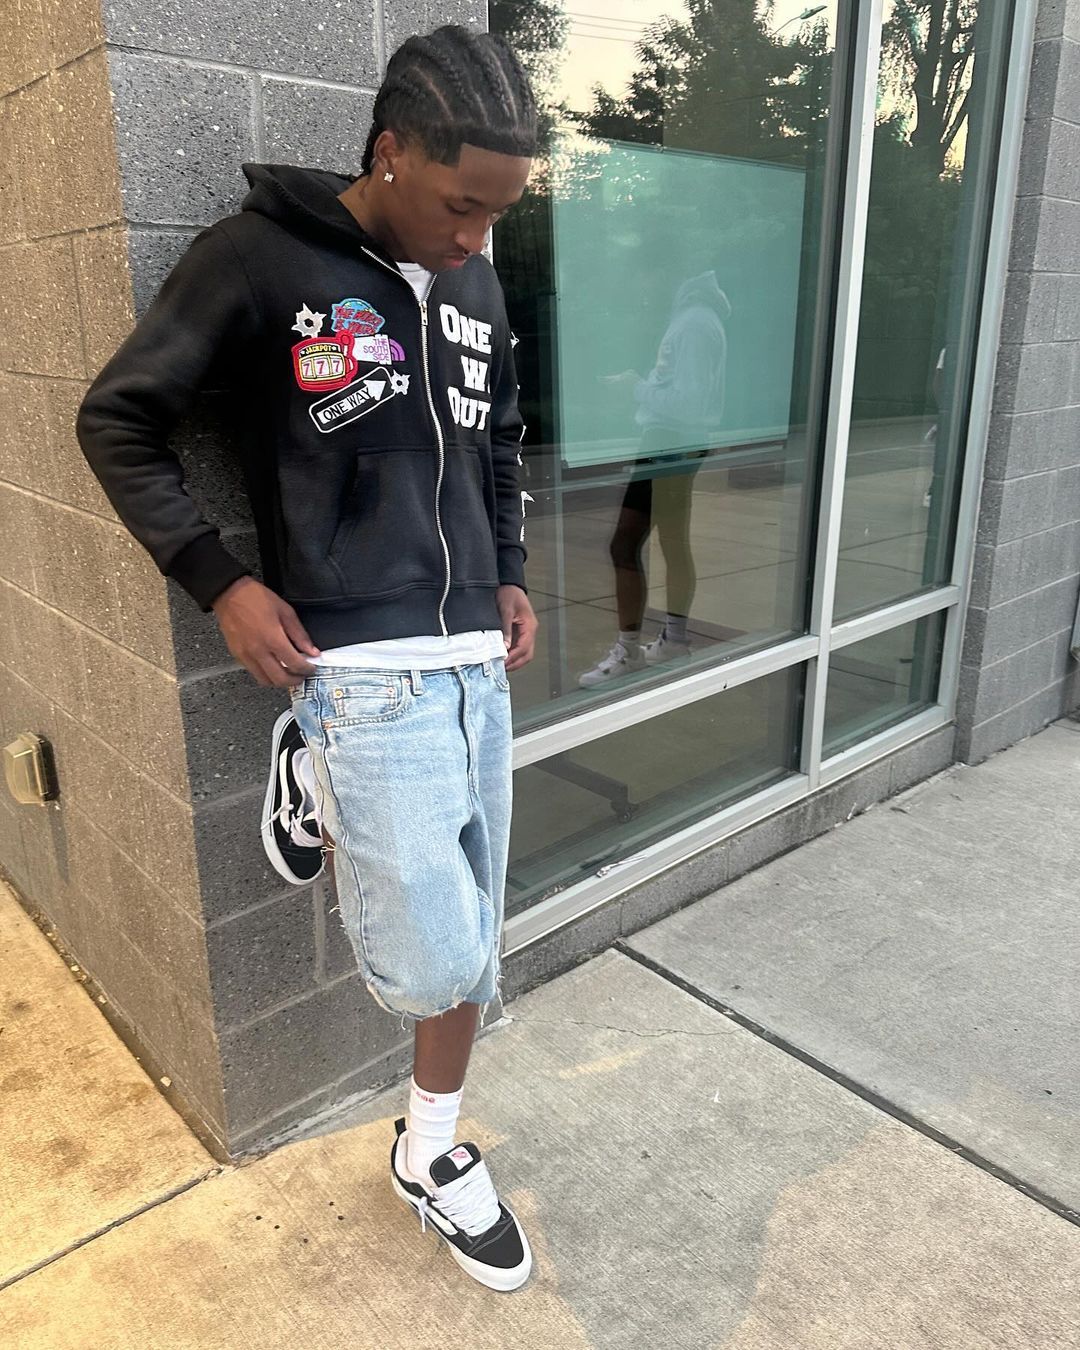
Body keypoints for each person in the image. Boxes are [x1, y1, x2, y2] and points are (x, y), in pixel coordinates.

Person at [76, 25, 539, 1293]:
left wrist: (505, 564)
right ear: (389, 152)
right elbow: (118, 418)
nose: (474, 239)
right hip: (362, 667)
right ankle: (319, 769)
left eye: (498, 214)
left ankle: (431, 1151)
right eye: (459, 205)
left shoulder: (477, 282)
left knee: (476, 945)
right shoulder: (258, 260)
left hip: (474, 657)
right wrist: (219, 581)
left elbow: (498, 437)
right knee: (430, 960)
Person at [579, 270, 731, 687]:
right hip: (670, 442)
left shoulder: (694, 323)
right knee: (666, 543)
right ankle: (672, 641)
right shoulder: (695, 317)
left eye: (648, 277)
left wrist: (635, 388)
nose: (643, 287)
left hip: (671, 442)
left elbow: (689, 403)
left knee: (627, 544)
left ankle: (632, 650)